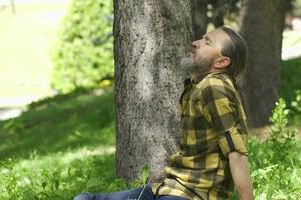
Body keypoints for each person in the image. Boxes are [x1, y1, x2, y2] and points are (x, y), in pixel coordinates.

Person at [74, 26, 253, 200]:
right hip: (167, 188)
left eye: (207, 42)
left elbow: (236, 153)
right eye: (202, 38)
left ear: (222, 62)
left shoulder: (214, 87)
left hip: (194, 195)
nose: (195, 43)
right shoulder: (198, 87)